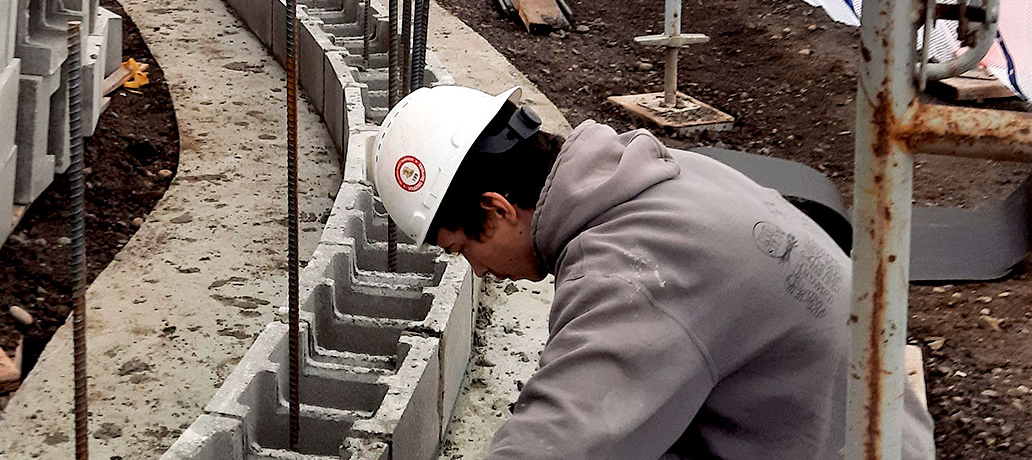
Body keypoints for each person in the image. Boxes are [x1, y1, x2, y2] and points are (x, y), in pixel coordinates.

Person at [368, 85, 936, 459]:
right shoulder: (654, 177)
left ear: (497, 209)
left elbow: (563, 441)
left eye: (462, 248)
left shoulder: (627, 267)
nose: (479, 271)